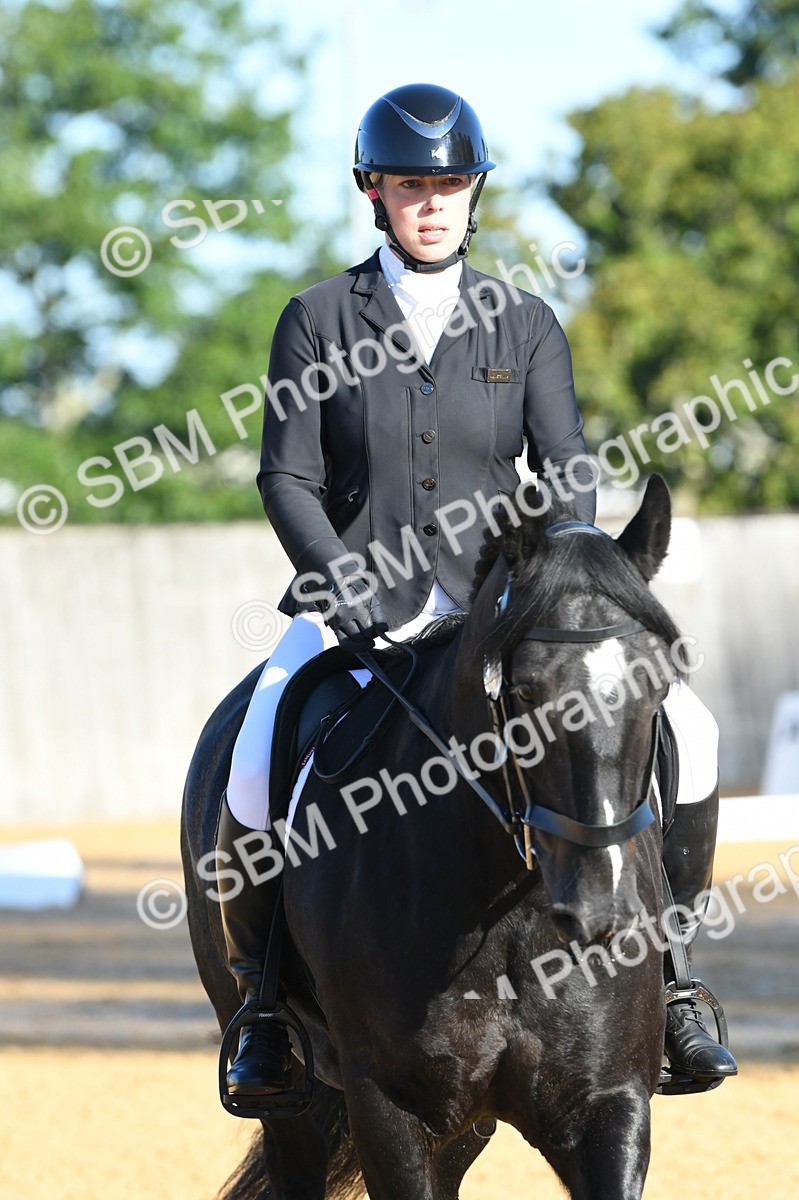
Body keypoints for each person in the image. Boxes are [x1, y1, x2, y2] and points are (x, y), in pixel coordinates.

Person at [214, 83, 737, 1097]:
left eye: (451, 183)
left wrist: (555, 586)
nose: (433, 201)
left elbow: (569, 467)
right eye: (413, 184)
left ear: (473, 193)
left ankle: (672, 983)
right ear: (374, 192)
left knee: (697, 731)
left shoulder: (524, 321)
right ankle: (264, 1005)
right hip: (360, 612)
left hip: (502, 614)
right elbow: (288, 476)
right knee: (253, 750)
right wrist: (350, 590)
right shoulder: (317, 318)